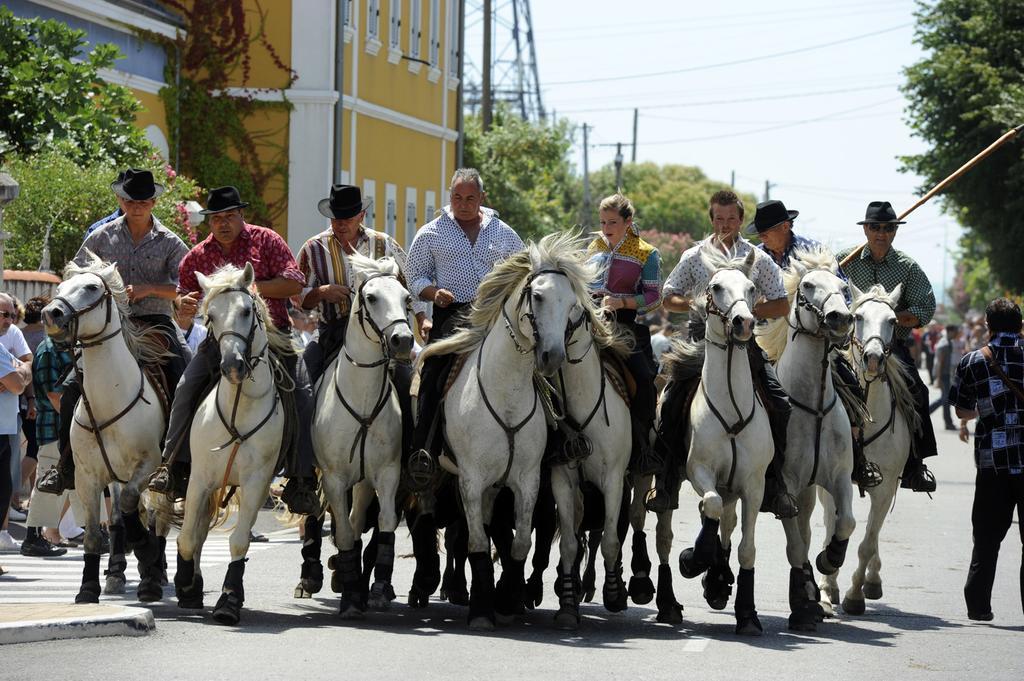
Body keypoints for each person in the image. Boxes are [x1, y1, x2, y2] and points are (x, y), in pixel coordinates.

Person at [148, 186, 319, 515]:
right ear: (209, 221)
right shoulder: (197, 256)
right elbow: (184, 301)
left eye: (229, 216)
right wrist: (181, 305)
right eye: (216, 218)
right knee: (185, 388)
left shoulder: (266, 240)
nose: (223, 223)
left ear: (242, 215)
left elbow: (294, 283)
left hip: (274, 337)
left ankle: (301, 478)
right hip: (220, 341)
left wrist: (250, 288)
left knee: (302, 392)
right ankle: (173, 467)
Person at [36, 168, 191, 495]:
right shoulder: (100, 237)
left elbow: (186, 286)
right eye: (132, 200)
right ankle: (65, 467)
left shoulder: (170, 242)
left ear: (153, 202)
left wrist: (149, 288)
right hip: (108, 327)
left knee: (186, 377)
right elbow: (74, 273)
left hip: (154, 324)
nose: (137, 206)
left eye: (144, 201)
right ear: (122, 200)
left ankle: (177, 465)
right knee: (69, 390)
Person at [650, 191, 796, 517]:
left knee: (781, 403)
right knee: (671, 402)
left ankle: (776, 484)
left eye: (731, 219)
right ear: (711, 219)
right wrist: (696, 303)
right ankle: (666, 481)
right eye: (719, 218)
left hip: (745, 342)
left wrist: (747, 308)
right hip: (700, 342)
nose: (725, 224)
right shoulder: (694, 256)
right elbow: (668, 296)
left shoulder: (757, 259)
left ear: (741, 220)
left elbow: (782, 303)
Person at [753, 199, 882, 489]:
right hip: (764, 342)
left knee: (851, 390)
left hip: (814, 341)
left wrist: (832, 319)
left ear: (785, 226)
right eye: (759, 232)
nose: (762, 237)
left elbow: (843, 295)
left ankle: (857, 460)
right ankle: (763, 468)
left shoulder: (814, 252)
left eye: (767, 231)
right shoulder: (756, 259)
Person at [405, 168, 525, 481]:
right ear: (450, 196)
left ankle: (548, 442)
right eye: (457, 197)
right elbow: (413, 275)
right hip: (451, 315)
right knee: (433, 372)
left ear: (482, 198)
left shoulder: (503, 232)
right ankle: (424, 450)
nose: (463, 203)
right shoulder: (431, 232)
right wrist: (432, 293)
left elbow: (524, 274)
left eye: (470, 198)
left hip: (496, 317)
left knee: (534, 367)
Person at [297, 184, 427, 463]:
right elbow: (298, 297)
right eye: (335, 217)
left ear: (361, 215)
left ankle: (411, 460)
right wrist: (320, 292)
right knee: (302, 382)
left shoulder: (385, 244)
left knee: (407, 383)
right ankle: (302, 472)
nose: (340, 223)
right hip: (332, 330)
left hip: (382, 334)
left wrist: (421, 318)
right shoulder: (313, 248)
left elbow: (410, 286)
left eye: (347, 217)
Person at [837, 201, 938, 493]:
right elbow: (825, 292)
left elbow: (926, 305)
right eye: (875, 227)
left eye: (888, 228)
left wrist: (893, 317)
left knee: (919, 390)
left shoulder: (907, 268)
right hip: (847, 343)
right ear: (866, 229)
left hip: (891, 344)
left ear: (895, 231)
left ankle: (916, 464)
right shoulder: (844, 260)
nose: (881, 233)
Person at [948, 297, 1024, 621]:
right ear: (1020, 326)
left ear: (987, 327)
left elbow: (962, 410)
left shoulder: (973, 361)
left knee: (986, 537)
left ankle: (979, 605)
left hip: (993, 462)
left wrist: (986, 408)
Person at [586, 193, 662, 472]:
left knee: (643, 380)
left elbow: (654, 297)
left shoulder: (646, 252)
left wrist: (623, 302)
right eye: (603, 221)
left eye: (612, 222)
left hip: (625, 326)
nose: (606, 228)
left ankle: (642, 446)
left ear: (628, 222)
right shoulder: (592, 247)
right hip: (589, 321)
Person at [21, 335, 74, 556]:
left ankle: (95, 532)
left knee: (66, 484)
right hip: (55, 428)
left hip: (65, 427)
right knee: (46, 483)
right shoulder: (48, 350)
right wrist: (78, 422)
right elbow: (54, 395)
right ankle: (32, 538)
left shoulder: (66, 345)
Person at [0, 343, 32, 551]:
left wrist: (22, 370)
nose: (9, 319)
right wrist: (22, 372)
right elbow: (17, 384)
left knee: (4, 490)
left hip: (4, 429)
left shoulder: (2, 347)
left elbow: (26, 367)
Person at [929, 324, 960, 431]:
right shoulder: (945, 344)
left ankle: (948, 423)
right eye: (956, 331)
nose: (957, 333)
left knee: (946, 399)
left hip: (945, 374)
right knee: (945, 399)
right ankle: (926, 413)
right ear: (950, 331)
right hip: (942, 375)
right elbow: (939, 363)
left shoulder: (948, 342)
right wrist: (938, 379)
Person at [84, 169, 127, 238]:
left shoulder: (150, 229)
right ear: (117, 195)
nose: (131, 203)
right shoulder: (96, 230)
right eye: (125, 197)